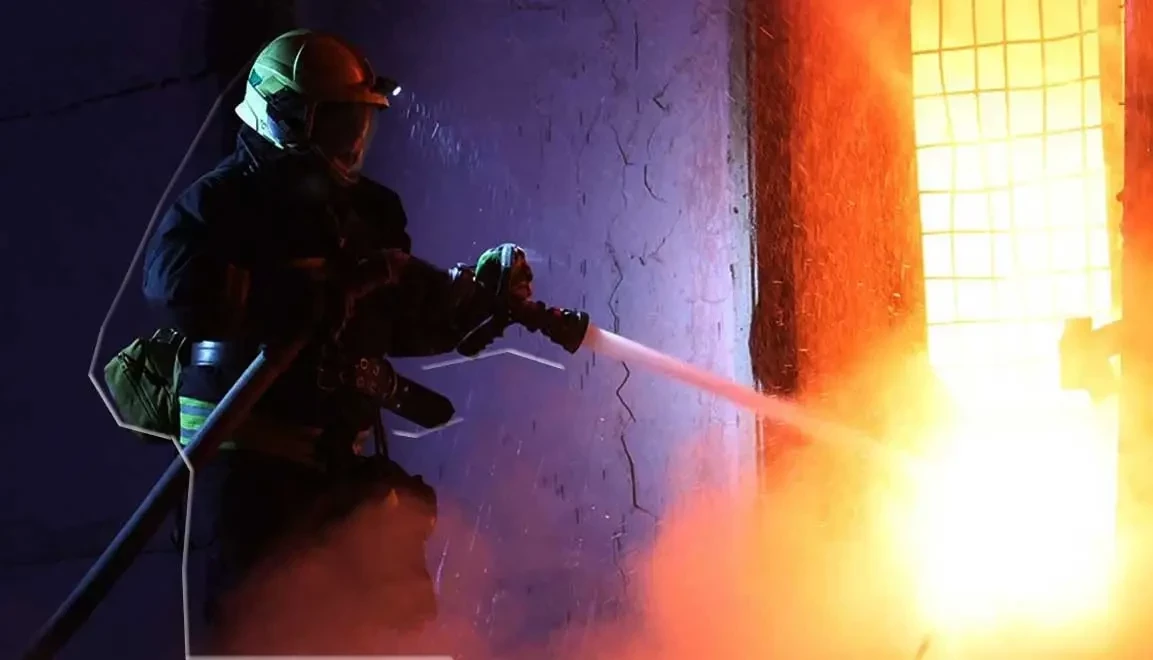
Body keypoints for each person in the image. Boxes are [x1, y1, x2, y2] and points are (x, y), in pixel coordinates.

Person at [141, 28, 532, 652]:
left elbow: (397, 322)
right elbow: (176, 289)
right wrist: (297, 294)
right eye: (338, 123)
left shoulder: (368, 212)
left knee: (394, 634)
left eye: (360, 123)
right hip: (252, 478)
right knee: (270, 633)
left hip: (342, 467)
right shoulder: (221, 203)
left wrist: (474, 307)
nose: (352, 143)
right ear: (286, 117)